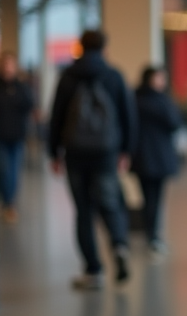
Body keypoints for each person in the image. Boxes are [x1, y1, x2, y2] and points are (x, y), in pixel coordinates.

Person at [47, 29, 137, 290]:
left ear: (80, 47)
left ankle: (93, 271)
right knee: (110, 204)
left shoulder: (68, 76)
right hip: (106, 153)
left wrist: (54, 153)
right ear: (104, 48)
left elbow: (57, 116)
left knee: (83, 211)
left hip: (75, 153)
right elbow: (127, 116)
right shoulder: (113, 76)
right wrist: (126, 151)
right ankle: (119, 246)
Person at [132, 66, 183, 255]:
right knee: (155, 198)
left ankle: (150, 234)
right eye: (159, 78)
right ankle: (153, 237)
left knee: (147, 198)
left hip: (140, 156)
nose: (163, 81)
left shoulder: (134, 99)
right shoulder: (161, 101)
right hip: (158, 156)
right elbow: (175, 122)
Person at [0, 51, 34, 223]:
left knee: (13, 170)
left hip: (17, 135)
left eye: (11, 65)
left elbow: (30, 104)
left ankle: (10, 203)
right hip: (0, 135)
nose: (8, 69)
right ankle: (6, 201)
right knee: (3, 170)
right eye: (5, 65)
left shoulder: (21, 86)